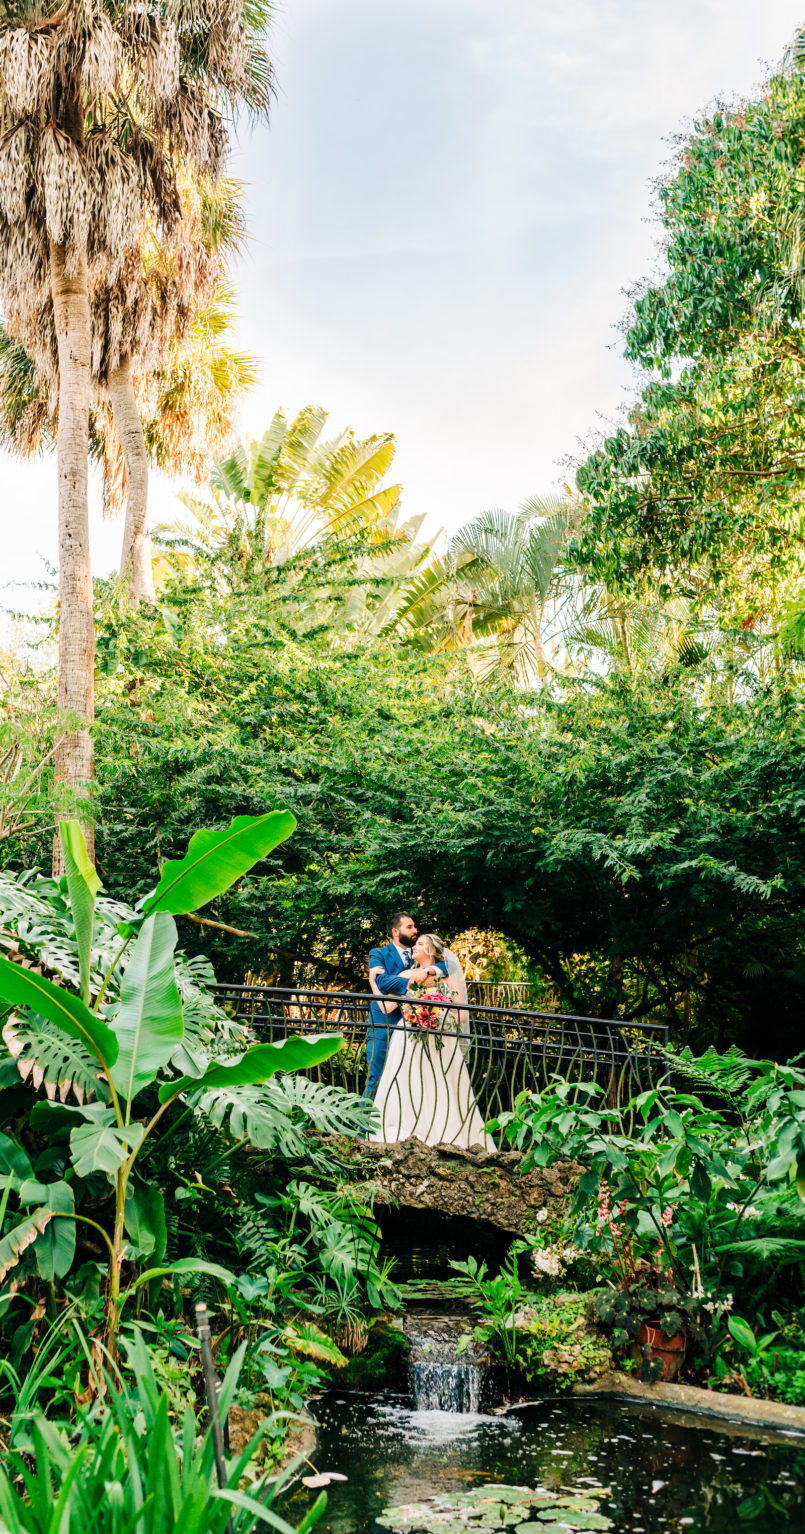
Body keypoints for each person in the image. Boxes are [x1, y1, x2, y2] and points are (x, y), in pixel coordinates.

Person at [368, 932, 492, 1149]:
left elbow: (462, 1013)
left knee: (439, 1085)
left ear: (432, 951)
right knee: (406, 1084)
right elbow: (386, 1007)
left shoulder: (446, 976)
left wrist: (436, 1019)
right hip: (408, 1038)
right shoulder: (407, 974)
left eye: (420, 943)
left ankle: (443, 1134)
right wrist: (372, 982)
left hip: (439, 1039)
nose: (414, 946)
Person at [365, 911, 447, 1102]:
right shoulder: (378, 953)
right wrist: (413, 982)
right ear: (395, 931)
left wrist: (427, 970)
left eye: (415, 927)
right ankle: (363, 1131)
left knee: (405, 1082)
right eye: (409, 927)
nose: (415, 931)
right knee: (375, 1078)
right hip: (383, 1025)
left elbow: (447, 965)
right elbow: (382, 982)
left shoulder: (421, 952)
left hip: (412, 1029)